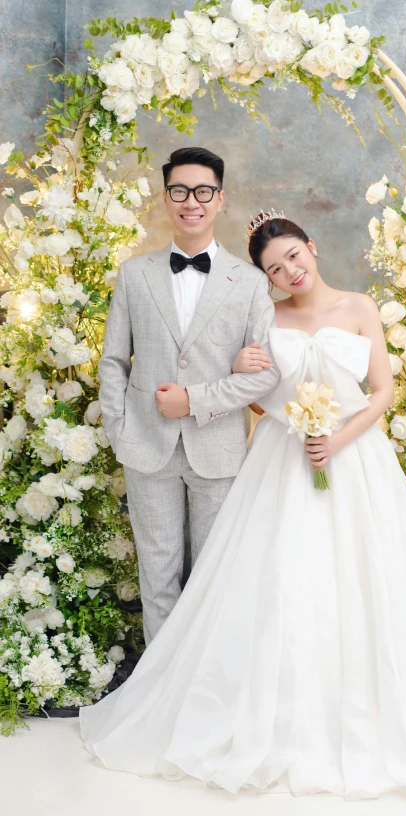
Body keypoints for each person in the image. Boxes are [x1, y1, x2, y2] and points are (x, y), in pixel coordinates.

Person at [81, 213, 406, 799]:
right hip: (281, 455)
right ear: (265, 277)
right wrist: (261, 396)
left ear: (313, 247)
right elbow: (254, 396)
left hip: (352, 458)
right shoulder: (266, 316)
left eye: (293, 258)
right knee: (278, 578)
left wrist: (335, 439)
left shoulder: (358, 307)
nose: (289, 273)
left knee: (364, 579)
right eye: (274, 269)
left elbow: (383, 390)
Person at [98, 148, 279, 645]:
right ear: (166, 198)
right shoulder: (135, 275)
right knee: (157, 578)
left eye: (203, 192)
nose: (190, 202)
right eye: (180, 191)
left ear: (219, 199)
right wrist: (119, 429)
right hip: (146, 447)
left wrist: (193, 399)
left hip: (217, 449)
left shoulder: (249, 282)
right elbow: (113, 360)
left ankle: (207, 692)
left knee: (213, 578)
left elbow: (265, 376)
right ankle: (159, 697)